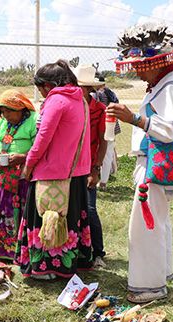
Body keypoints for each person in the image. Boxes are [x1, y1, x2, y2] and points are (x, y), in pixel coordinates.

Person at [107, 23, 173, 303]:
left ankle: (149, 286)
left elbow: (171, 130)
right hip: (155, 162)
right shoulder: (163, 84)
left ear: (155, 61)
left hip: (158, 163)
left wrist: (133, 118)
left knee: (145, 225)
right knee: (157, 221)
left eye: (139, 64)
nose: (136, 70)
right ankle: (162, 273)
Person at [16, 60, 92, 280]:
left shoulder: (57, 100)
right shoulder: (81, 100)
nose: (41, 93)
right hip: (76, 172)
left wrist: (29, 164)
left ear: (48, 85)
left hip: (54, 174)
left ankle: (45, 269)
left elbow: (43, 138)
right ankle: (68, 266)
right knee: (69, 218)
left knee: (47, 218)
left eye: (40, 88)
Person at [0, 89, 37, 260]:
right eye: (2, 111)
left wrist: (23, 157)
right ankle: (2, 249)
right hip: (3, 177)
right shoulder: (3, 124)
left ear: (20, 108)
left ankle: (19, 250)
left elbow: (40, 145)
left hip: (23, 177)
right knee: (1, 211)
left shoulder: (33, 122)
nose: (5, 115)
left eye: (8, 111)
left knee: (20, 212)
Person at [74, 65, 108, 267]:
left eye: (81, 87)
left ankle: (98, 252)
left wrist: (96, 169)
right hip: (71, 166)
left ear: (88, 89)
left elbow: (103, 141)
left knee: (90, 208)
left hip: (89, 166)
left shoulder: (100, 110)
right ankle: (78, 250)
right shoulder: (71, 107)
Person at [95, 76, 121, 189]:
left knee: (101, 153)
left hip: (102, 128)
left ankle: (99, 179)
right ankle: (103, 182)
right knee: (108, 153)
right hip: (112, 126)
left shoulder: (97, 95)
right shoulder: (110, 93)